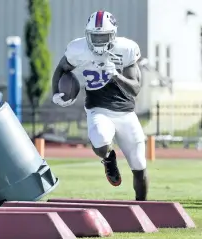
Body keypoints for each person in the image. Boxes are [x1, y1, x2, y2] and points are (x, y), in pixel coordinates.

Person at [52, 10, 148, 201]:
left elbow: (135, 88)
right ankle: (108, 159)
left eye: (103, 36)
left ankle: (142, 207)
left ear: (113, 34)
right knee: (100, 139)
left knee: (139, 167)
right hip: (98, 108)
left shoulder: (126, 49)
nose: (98, 41)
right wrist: (56, 92)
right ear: (87, 35)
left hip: (125, 113)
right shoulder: (77, 49)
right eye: (95, 36)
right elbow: (61, 68)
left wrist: (116, 75)